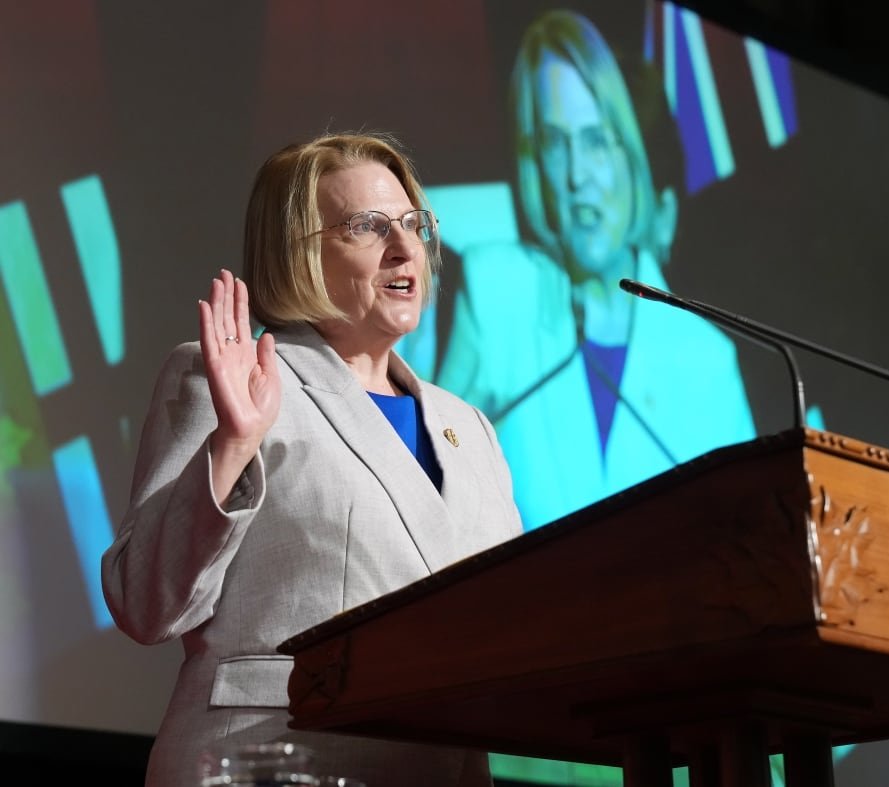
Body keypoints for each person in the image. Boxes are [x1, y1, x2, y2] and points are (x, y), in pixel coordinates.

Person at [101, 133, 523, 787]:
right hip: (271, 765)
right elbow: (144, 603)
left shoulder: (470, 427)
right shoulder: (230, 377)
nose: (405, 247)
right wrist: (233, 443)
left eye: (415, 224)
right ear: (299, 254)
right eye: (368, 226)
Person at [437, 10, 755, 529]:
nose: (578, 175)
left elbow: (744, 544)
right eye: (555, 143)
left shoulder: (707, 358)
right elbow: (428, 484)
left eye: (595, 140)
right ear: (533, 163)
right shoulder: (498, 294)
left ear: (628, 154)